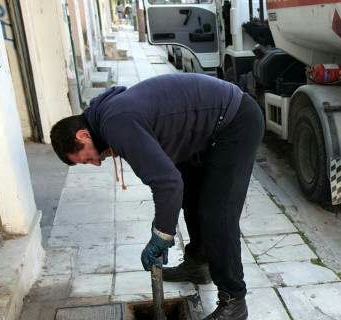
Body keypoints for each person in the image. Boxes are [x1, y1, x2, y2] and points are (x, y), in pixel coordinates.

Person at [50, 73, 264, 320]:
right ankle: (199, 263)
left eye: (88, 157)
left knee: (218, 214)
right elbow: (173, 180)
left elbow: (166, 183)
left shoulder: (116, 123)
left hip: (236, 122)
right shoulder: (107, 117)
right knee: (191, 195)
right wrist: (164, 226)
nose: (96, 163)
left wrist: (161, 235)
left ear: (83, 136)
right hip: (209, 127)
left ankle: (234, 301)